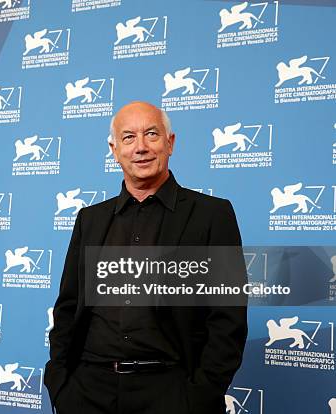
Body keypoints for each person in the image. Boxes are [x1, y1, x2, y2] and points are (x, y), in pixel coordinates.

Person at [45, 101, 247, 414]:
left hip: (172, 393)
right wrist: (60, 385)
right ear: (114, 149)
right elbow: (68, 307)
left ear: (171, 143)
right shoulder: (90, 219)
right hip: (88, 393)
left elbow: (228, 318)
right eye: (128, 138)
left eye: (151, 134)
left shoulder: (212, 215)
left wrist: (199, 396)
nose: (141, 147)